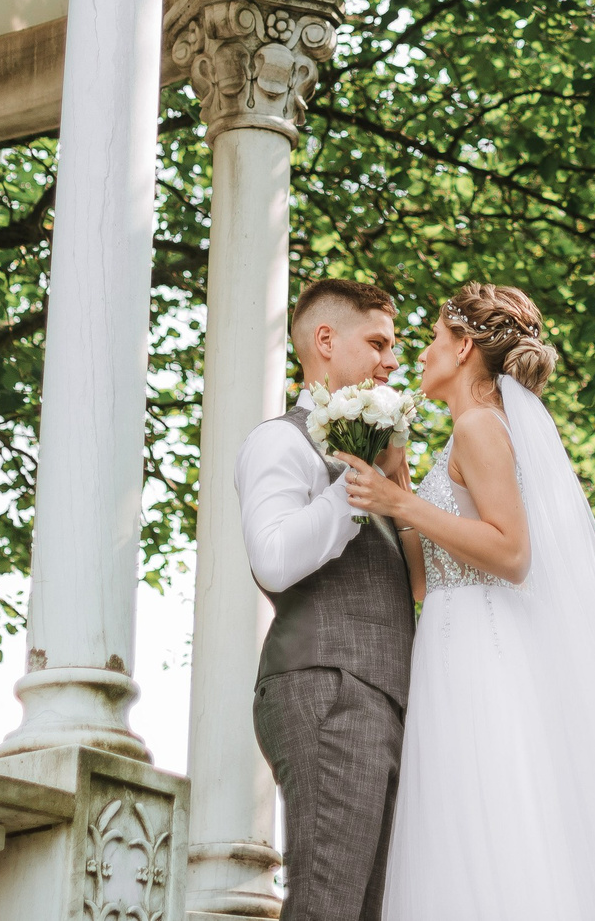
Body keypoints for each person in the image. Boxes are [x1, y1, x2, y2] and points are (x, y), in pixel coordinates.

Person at [335, 284, 595, 920]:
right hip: (452, 647)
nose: (420, 353)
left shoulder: (481, 427)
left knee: (489, 820)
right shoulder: (462, 435)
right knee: (460, 827)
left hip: (484, 653)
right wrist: (400, 489)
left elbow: (512, 555)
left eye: (431, 337)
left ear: (463, 346)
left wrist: (403, 502)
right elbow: (425, 582)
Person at [235, 277, 412, 921]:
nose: (392, 360)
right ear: (326, 340)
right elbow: (275, 560)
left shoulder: (374, 460)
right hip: (329, 686)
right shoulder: (280, 441)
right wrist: (354, 488)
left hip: (384, 697)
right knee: (326, 905)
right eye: (379, 342)